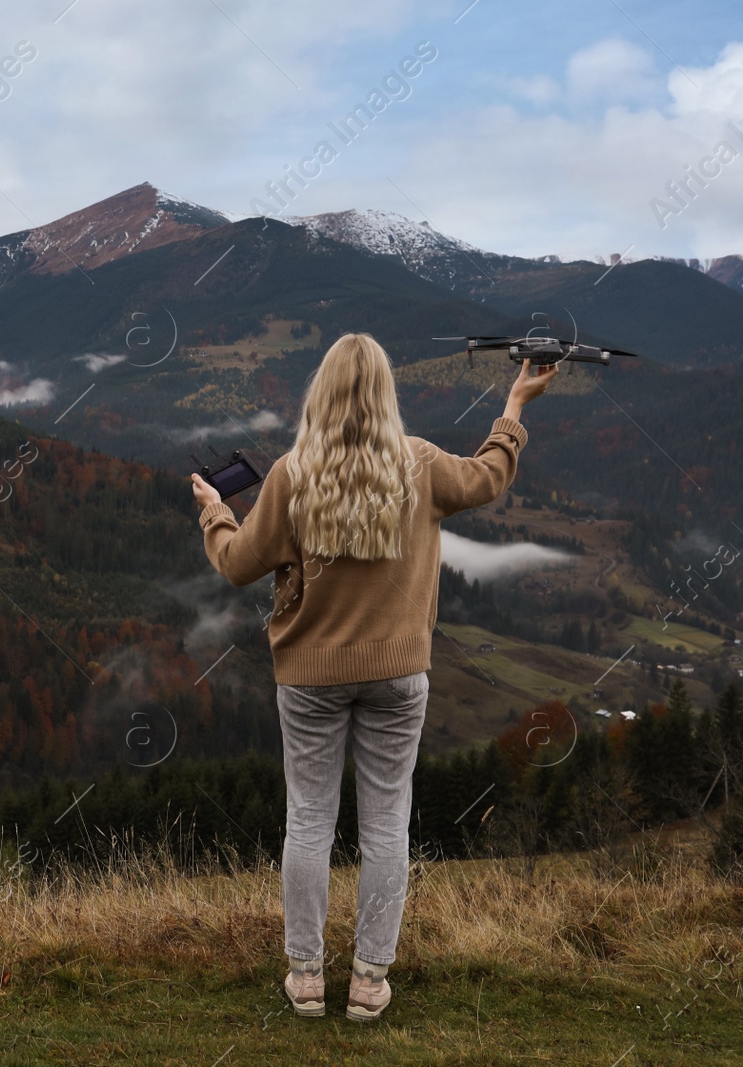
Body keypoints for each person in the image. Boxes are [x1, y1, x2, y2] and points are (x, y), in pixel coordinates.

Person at [189, 333, 556, 1022]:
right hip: (398, 672)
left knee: (309, 822)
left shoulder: (295, 474)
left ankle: (305, 977)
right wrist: (514, 404)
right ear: (386, 392)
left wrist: (215, 509)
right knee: (387, 824)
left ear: (320, 394)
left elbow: (237, 563)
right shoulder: (416, 464)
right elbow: (487, 476)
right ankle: (367, 982)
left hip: (309, 678)